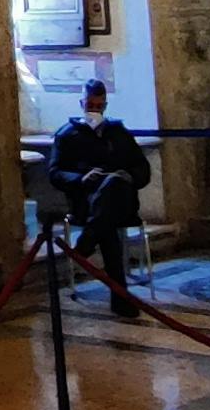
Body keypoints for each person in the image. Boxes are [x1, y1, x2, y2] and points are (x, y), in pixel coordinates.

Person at [48, 79, 151, 319]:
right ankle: (120, 298)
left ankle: (88, 240)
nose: (94, 110)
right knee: (106, 221)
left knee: (113, 186)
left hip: (122, 200)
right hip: (87, 201)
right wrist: (81, 178)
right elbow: (55, 173)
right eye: (90, 105)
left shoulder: (119, 133)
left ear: (105, 105)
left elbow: (142, 169)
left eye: (98, 106)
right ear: (82, 104)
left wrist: (129, 176)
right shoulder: (67, 135)